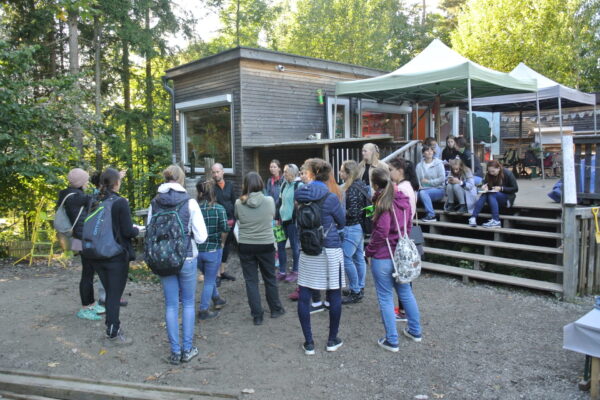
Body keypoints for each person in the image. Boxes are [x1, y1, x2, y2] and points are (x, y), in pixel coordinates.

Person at [147, 165, 208, 364]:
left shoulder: (154, 203)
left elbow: (149, 231)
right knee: (189, 303)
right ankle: (187, 349)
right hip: (187, 258)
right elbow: (201, 237)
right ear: (181, 180)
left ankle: (175, 351)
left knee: (171, 305)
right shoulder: (190, 203)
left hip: (163, 259)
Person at [365, 166, 422, 352]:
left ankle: (392, 339)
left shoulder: (383, 202)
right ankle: (415, 331)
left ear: (374, 184)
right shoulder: (403, 199)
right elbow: (406, 226)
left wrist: (369, 251)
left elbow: (381, 230)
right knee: (405, 292)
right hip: (400, 253)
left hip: (383, 255)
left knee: (385, 297)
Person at [295, 158, 345, 355]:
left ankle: (309, 343)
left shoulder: (300, 196)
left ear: (312, 174)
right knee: (334, 294)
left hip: (308, 249)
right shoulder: (331, 197)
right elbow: (342, 222)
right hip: (330, 248)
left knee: (304, 294)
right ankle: (332, 340)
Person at [88, 168, 139, 344]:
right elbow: (127, 231)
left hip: (96, 254)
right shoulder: (120, 202)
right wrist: (137, 230)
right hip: (115, 256)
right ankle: (113, 332)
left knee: (110, 293)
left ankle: (111, 327)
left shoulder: (94, 199)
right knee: (114, 295)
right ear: (117, 182)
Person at [235, 172, 285, 326]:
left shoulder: (239, 203)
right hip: (266, 244)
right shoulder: (269, 201)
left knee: (251, 281)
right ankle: (275, 309)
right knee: (269, 277)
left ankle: (257, 316)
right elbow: (272, 216)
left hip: (246, 245)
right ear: (260, 184)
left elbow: (237, 218)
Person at [57, 168, 105, 321]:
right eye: (85, 180)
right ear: (80, 182)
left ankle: (90, 303)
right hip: (82, 238)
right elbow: (95, 199)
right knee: (87, 274)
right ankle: (85, 307)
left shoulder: (68, 194)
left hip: (78, 238)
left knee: (88, 272)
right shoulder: (76, 196)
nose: (87, 182)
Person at [196, 180, 229, 320]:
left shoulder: (194, 209)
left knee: (208, 276)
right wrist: (222, 243)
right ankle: (203, 310)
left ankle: (217, 299)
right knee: (210, 281)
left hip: (197, 251)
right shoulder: (219, 209)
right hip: (213, 250)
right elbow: (225, 229)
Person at [338, 160, 369, 305]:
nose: (340, 173)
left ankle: (355, 291)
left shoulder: (351, 189)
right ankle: (359, 287)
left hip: (352, 227)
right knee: (358, 258)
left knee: (346, 258)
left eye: (342, 171)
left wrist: (339, 213)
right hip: (360, 226)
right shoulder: (361, 185)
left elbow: (353, 212)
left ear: (348, 173)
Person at [468, 160, 518, 228]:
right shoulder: (489, 174)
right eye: (489, 171)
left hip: (507, 198)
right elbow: (484, 183)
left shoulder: (508, 173)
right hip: (493, 197)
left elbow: (515, 189)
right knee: (485, 194)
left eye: (493, 171)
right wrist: (484, 186)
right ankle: (473, 218)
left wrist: (501, 188)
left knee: (491, 194)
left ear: (499, 168)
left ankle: (496, 220)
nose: (491, 173)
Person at [276, 163, 303, 283]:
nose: (284, 173)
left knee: (294, 246)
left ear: (292, 173)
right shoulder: (284, 184)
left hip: (293, 222)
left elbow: (301, 204)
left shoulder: (299, 185)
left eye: (286, 171)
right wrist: (277, 218)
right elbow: (280, 202)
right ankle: (282, 271)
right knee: (280, 246)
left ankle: (295, 271)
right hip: (282, 221)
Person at [211, 163, 237, 283]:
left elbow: (234, 202)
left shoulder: (230, 185)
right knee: (218, 246)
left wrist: (236, 218)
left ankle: (222, 272)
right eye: (214, 172)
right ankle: (216, 275)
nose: (216, 174)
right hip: (218, 222)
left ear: (222, 172)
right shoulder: (212, 188)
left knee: (227, 246)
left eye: (218, 172)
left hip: (231, 220)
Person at [416, 145, 446, 222]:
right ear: (423, 153)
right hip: (423, 189)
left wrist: (429, 182)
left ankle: (431, 215)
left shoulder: (439, 163)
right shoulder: (419, 166)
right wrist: (419, 185)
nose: (429, 152)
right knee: (413, 194)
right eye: (427, 150)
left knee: (423, 193)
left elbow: (442, 178)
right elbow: (417, 179)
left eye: (431, 150)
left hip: (438, 189)